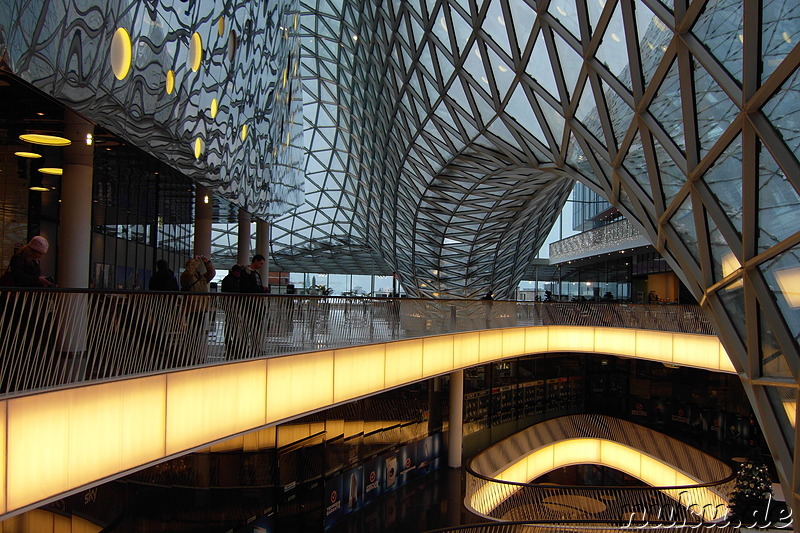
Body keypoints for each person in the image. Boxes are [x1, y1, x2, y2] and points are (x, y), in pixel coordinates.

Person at [179, 256, 215, 365]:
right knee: (193, 332)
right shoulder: (186, 276)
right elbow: (189, 273)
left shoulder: (200, 277)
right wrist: (195, 262)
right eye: (193, 263)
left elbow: (211, 273)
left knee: (198, 332)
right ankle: (191, 354)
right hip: (192, 307)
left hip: (200, 307)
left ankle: (195, 354)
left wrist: (207, 263)